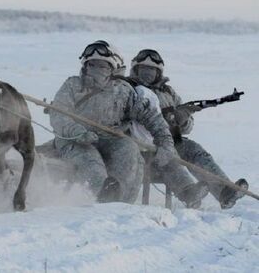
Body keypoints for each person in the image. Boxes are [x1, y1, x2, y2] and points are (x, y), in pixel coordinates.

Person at [47, 40, 178, 203]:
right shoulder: (72, 85)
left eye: (102, 66)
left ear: (112, 67)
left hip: (111, 138)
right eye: (92, 65)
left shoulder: (123, 90)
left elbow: (152, 118)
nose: (97, 69)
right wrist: (77, 132)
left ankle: (121, 202)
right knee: (90, 159)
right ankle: (104, 195)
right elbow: (59, 115)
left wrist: (165, 143)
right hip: (76, 140)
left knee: (129, 149)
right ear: (85, 66)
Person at [129, 49, 248, 209]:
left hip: (172, 140)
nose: (147, 74)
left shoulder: (168, 92)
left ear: (158, 72)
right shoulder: (129, 90)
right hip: (142, 147)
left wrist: (182, 121)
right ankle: (189, 193)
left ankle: (224, 192)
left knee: (195, 150)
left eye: (152, 70)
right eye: (144, 69)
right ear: (136, 70)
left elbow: (187, 127)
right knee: (170, 155)